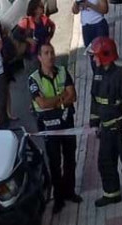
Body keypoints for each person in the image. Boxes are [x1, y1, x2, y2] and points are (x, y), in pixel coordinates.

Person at [28, 43, 81, 214]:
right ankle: (58, 198)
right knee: (55, 162)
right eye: (46, 53)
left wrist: (54, 102)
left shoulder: (63, 71)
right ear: (39, 57)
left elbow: (73, 96)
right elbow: (41, 104)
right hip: (49, 127)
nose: (50, 56)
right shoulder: (34, 79)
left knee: (70, 158)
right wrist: (61, 99)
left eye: (52, 52)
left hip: (66, 123)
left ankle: (70, 191)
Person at [88, 37, 122, 207]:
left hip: (120, 128)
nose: (94, 59)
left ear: (104, 55)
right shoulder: (98, 73)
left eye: (95, 56)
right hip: (106, 130)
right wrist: (94, 123)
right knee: (105, 162)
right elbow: (95, 99)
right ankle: (112, 193)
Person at [0, 16, 23, 122]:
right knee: (5, 92)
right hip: (3, 69)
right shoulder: (3, 38)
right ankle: (7, 113)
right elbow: (12, 52)